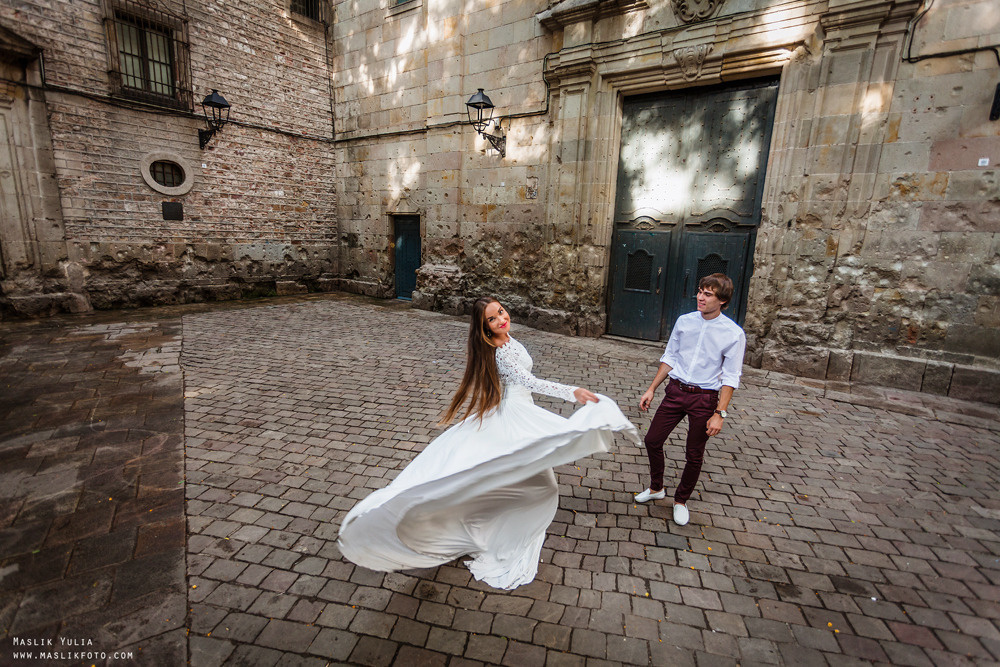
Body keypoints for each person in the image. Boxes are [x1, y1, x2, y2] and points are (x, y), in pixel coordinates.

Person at [338, 297, 637, 589]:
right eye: (492, 319)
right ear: (484, 327)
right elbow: (529, 382)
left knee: (525, 476)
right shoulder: (500, 351)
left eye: (501, 312)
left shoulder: (507, 339)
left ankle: (496, 520)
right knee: (539, 483)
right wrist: (573, 392)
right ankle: (495, 530)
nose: (501, 319)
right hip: (513, 416)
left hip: (519, 411)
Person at [633, 273, 746, 527]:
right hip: (675, 391)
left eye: (708, 294)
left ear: (723, 301)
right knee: (652, 440)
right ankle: (656, 488)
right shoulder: (684, 321)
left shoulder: (733, 334)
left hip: (704, 399)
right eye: (700, 291)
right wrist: (652, 388)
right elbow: (670, 356)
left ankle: (681, 500)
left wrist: (720, 413)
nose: (700, 297)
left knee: (694, 454)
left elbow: (731, 376)